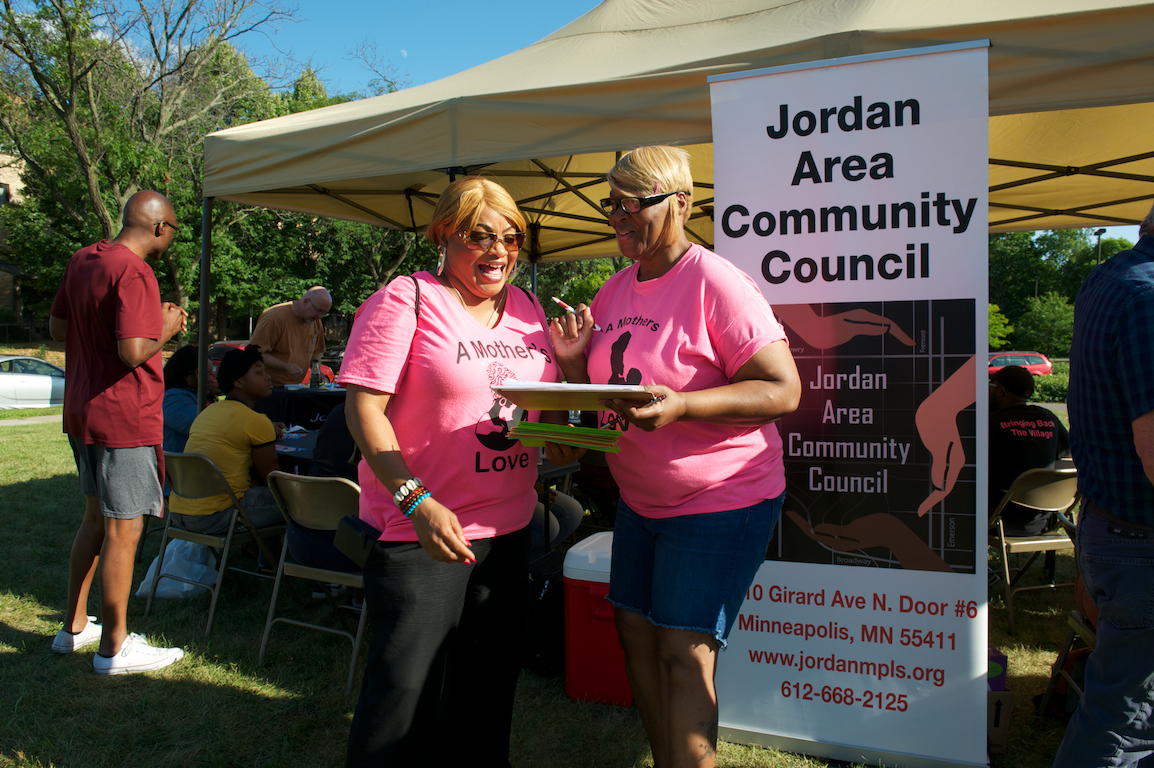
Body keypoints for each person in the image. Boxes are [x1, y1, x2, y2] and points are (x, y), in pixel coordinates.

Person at [551, 146, 801, 768]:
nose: (619, 218)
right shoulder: (611, 293)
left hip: (719, 499)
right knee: (635, 635)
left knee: (682, 653)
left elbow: (782, 388)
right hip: (641, 501)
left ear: (682, 203)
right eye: (613, 205)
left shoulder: (716, 282)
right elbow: (608, 398)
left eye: (634, 204)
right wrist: (578, 362)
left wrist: (684, 406)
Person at [339, 177, 565, 767]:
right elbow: (363, 408)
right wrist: (416, 500)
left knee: (487, 694)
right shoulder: (406, 299)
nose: (499, 250)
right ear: (444, 233)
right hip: (425, 533)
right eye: (479, 235)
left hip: (511, 529)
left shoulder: (531, 309)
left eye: (511, 237)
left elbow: (543, 407)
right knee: (403, 699)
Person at [48, 190, 187, 675]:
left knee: (94, 519)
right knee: (124, 529)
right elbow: (133, 351)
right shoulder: (135, 271)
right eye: (174, 229)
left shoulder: (83, 259)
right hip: (123, 417)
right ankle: (113, 647)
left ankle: (73, 628)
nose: (172, 238)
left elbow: (55, 326)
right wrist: (167, 327)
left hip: (81, 412)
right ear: (158, 227)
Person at [1052, 206, 1154, 767]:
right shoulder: (1147, 296)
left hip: (1109, 525)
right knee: (1127, 726)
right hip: (1139, 540)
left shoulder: (1111, 278)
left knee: (1122, 716)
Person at [168, 345, 286, 554]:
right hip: (218, 515)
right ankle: (284, 564)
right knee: (296, 502)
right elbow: (273, 478)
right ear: (238, 382)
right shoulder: (256, 421)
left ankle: (262, 558)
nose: (268, 378)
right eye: (259, 373)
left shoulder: (207, 412)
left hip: (178, 512)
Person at [988, 365, 1070, 535]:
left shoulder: (991, 423)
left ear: (1001, 391)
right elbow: (1070, 453)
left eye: (991, 385)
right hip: (1039, 522)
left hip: (996, 521)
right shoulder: (1049, 418)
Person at [249, 286, 331, 386]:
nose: (320, 316)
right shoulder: (274, 317)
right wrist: (285, 367)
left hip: (296, 387)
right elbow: (255, 354)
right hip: (268, 388)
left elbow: (316, 352)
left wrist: (317, 371)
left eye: (324, 313)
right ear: (306, 301)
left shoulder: (316, 322)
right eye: (318, 310)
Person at [163, 344, 208, 454]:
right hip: (186, 467)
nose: (210, 378)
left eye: (211, 373)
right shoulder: (174, 399)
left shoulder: (196, 395)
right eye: (204, 373)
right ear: (186, 372)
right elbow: (205, 429)